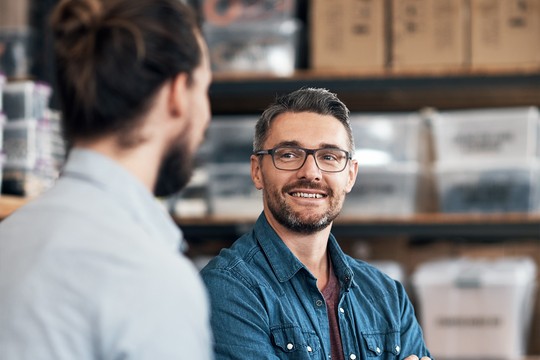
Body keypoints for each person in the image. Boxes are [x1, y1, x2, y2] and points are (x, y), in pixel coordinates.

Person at [0, 0, 213, 359]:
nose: (206, 116)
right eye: (204, 89)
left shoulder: (9, 239)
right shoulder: (151, 277)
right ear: (177, 94)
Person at [201, 88, 432, 360]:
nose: (310, 172)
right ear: (257, 171)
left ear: (350, 175)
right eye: (288, 154)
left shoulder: (387, 296)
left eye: (329, 157)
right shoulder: (228, 288)